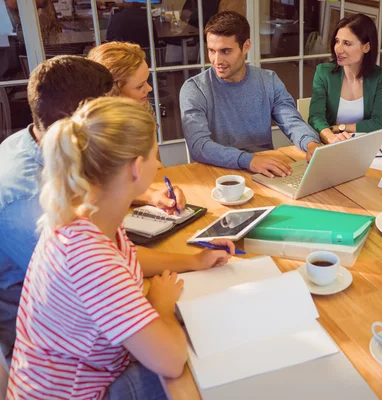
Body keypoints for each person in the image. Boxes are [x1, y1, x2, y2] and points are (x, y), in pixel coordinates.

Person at [6, 97, 236, 399]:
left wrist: (193, 261)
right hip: (82, 392)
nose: (159, 164)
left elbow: (128, 257)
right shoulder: (90, 260)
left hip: (66, 376)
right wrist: (160, 307)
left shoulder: (86, 217)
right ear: (137, 169)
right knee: (211, 369)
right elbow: (171, 360)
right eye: (156, 156)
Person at [0, 56, 183, 359]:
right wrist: (161, 305)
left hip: (85, 332)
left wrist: (142, 193)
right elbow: (93, 275)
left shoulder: (39, 139)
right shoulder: (28, 201)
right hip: (66, 348)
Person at [180, 11, 321, 178]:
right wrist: (248, 160)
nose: (217, 61)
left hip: (264, 171)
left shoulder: (268, 80)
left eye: (225, 51)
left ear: (246, 46)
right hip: (217, 175)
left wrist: (311, 144)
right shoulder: (194, 89)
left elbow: (291, 121)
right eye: (212, 50)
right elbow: (199, 146)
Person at [309, 13, 382, 144]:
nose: (338, 49)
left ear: (366, 47)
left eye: (347, 43)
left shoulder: (379, 76)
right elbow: (315, 117)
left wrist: (340, 129)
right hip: (329, 144)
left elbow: (381, 122)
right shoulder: (323, 72)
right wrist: (332, 137)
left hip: (364, 144)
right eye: (337, 41)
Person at [88, 41, 153, 105]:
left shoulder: (143, 108)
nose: (150, 88)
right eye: (139, 86)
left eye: (146, 81)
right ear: (112, 91)